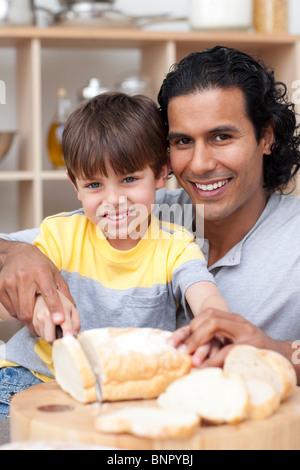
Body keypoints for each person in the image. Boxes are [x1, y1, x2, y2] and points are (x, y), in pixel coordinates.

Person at [0, 46, 300, 379]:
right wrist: (19, 255)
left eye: (221, 136)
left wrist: (276, 351)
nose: (200, 164)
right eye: (183, 141)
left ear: (266, 136)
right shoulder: (149, 212)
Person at [0, 92, 229, 419]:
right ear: (75, 185)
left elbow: (204, 293)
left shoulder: (175, 244)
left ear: (161, 174)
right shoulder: (61, 234)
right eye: (94, 185)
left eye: (130, 179)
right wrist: (37, 306)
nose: (114, 200)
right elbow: (9, 293)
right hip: (32, 379)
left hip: (124, 390)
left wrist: (213, 321)